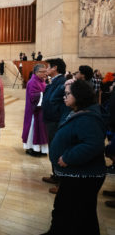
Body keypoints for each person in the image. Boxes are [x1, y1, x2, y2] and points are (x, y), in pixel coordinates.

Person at [42, 80, 106, 235]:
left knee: (75, 210)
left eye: (68, 94)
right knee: (70, 208)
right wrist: (65, 85)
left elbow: (93, 145)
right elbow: (54, 100)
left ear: (79, 96)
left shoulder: (89, 117)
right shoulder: (74, 109)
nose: (65, 96)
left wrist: (68, 158)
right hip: (75, 174)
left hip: (83, 175)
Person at [42, 58, 67, 191]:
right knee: (53, 148)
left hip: (55, 120)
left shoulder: (61, 82)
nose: (46, 69)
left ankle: (61, 181)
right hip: (50, 120)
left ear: (55, 68)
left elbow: (55, 102)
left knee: (57, 149)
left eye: (48, 67)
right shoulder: (55, 81)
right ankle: (56, 175)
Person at [22, 64, 48, 156]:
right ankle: (32, 148)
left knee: (41, 130)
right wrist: (45, 94)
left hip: (41, 110)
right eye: (43, 72)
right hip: (34, 111)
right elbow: (33, 96)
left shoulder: (42, 81)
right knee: (33, 129)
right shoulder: (32, 82)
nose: (45, 73)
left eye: (45, 71)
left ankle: (40, 148)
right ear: (36, 72)